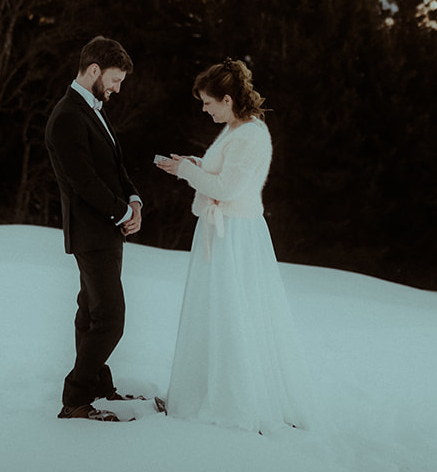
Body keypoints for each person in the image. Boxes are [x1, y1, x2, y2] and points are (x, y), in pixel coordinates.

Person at [155, 58, 316, 433]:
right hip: (220, 231)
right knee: (216, 312)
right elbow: (220, 174)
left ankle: (236, 398)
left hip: (237, 236)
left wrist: (186, 172)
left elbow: (227, 189)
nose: (204, 109)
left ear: (227, 99)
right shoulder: (233, 130)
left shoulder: (251, 135)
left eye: (208, 102)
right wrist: (192, 163)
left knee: (235, 313)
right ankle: (204, 388)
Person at [45, 35, 148, 422]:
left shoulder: (92, 109)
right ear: (93, 71)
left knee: (90, 313)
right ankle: (74, 399)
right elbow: (83, 181)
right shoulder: (67, 116)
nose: (117, 88)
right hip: (91, 232)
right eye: (115, 79)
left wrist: (134, 201)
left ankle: (99, 388)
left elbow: (114, 166)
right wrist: (122, 213)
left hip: (106, 230)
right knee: (111, 319)